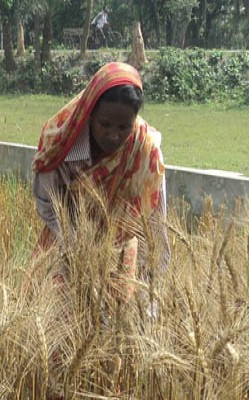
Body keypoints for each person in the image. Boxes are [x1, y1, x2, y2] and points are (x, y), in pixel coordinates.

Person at [31, 62, 170, 294]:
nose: (113, 135)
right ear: (90, 112)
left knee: (116, 322)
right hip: (63, 248)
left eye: (123, 127)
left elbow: (156, 219)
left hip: (120, 257)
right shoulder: (62, 143)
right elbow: (46, 201)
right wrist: (76, 248)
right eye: (105, 124)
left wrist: (152, 282)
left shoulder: (145, 149)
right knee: (54, 319)